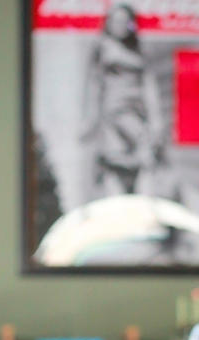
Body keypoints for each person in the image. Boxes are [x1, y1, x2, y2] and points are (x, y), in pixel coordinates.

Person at [80, 3, 166, 200]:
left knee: (144, 160)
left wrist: (156, 120)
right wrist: (89, 119)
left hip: (136, 112)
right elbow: (93, 85)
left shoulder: (140, 50)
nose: (120, 25)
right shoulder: (102, 48)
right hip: (113, 114)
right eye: (116, 20)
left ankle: (144, 208)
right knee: (113, 161)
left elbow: (149, 85)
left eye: (125, 21)